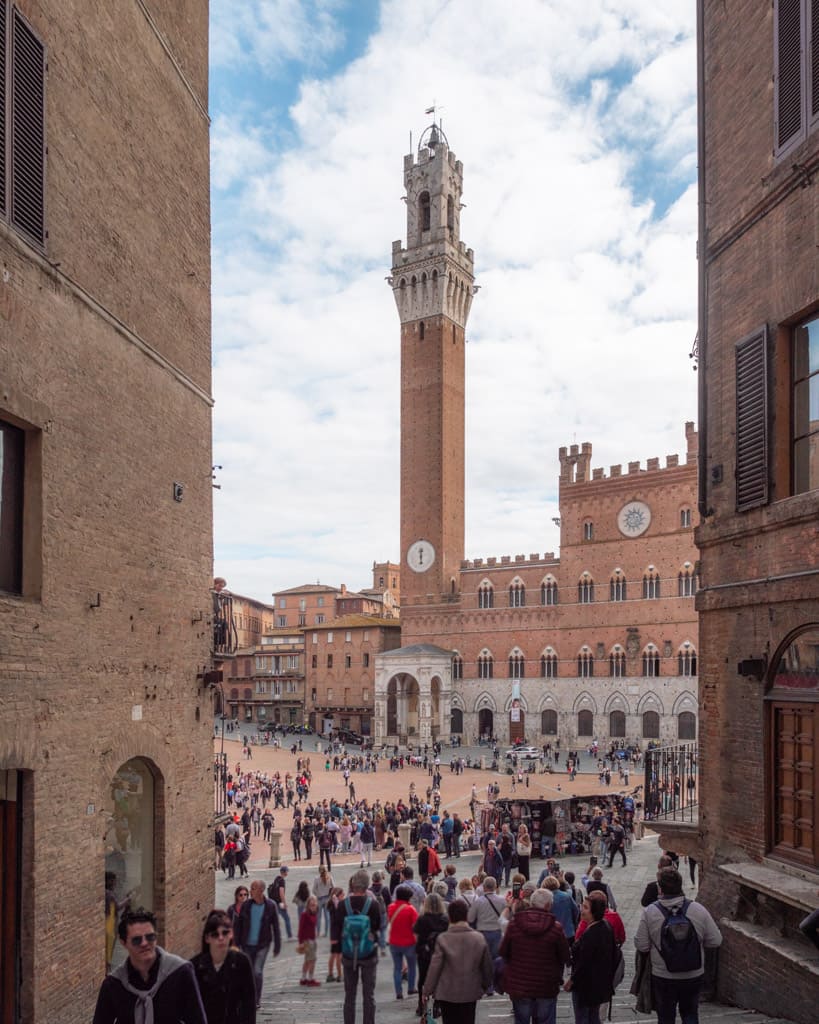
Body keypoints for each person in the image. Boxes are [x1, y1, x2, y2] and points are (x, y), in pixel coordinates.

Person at [634, 867, 722, 1024]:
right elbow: (716, 940)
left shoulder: (650, 912)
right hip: (693, 974)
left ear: (660, 889)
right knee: (690, 1014)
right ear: (680, 885)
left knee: (666, 1017)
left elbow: (642, 946)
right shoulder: (698, 909)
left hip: (663, 975)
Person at [93, 907, 207, 1024]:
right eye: (137, 940)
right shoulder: (113, 985)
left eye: (150, 937)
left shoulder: (180, 973)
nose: (144, 943)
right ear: (123, 943)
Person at [499, 888, 571, 1024]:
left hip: (519, 986)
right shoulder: (556, 928)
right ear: (548, 906)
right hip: (546, 985)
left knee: (521, 1020)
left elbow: (503, 952)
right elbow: (565, 956)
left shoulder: (514, 925)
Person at [423, 899, 493, 1024]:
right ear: (466, 915)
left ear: (449, 917)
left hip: (447, 992)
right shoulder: (478, 938)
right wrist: (486, 985)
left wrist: (427, 990)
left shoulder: (443, 939)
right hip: (470, 990)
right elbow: (487, 966)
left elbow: (435, 967)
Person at [191, 910, 256, 1024]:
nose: (221, 938)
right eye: (215, 934)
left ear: (231, 934)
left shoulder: (241, 962)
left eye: (225, 933)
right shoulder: (195, 966)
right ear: (207, 938)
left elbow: (249, 1003)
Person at [338, 869, 382, 1024]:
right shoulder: (373, 905)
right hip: (369, 953)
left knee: (349, 995)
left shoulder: (343, 905)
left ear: (353, 885)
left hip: (349, 954)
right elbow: (377, 927)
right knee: (368, 995)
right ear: (366, 886)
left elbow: (337, 930)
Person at [563, 896, 617, 1024]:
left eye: (586, 907)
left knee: (583, 1018)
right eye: (582, 906)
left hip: (585, 986)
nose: (582, 909)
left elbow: (584, 962)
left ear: (594, 912)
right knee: (593, 1017)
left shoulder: (591, 934)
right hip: (599, 983)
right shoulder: (605, 925)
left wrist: (571, 980)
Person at [233, 879, 282, 1008]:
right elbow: (238, 925)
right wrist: (236, 943)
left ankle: (256, 1000)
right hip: (246, 944)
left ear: (261, 890)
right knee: (248, 972)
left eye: (253, 888)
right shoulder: (246, 905)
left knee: (257, 971)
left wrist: (277, 945)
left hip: (262, 944)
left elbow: (275, 926)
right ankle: (247, 996)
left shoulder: (271, 905)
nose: (250, 891)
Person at [413, 892, 449, 1015]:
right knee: (439, 978)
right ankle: (437, 1005)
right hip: (440, 952)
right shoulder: (445, 919)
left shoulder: (422, 919)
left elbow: (415, 933)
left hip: (424, 952)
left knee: (422, 979)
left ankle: (421, 1004)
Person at [387, 883, 420, 999]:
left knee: (397, 967)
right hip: (409, 942)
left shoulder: (391, 907)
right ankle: (411, 988)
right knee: (411, 966)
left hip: (394, 942)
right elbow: (416, 927)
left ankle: (398, 992)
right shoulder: (411, 910)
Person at [466, 876, 505, 964]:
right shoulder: (503, 900)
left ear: (484, 887)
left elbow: (470, 918)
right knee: (496, 959)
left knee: (483, 960)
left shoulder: (478, 901)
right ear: (495, 887)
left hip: (482, 933)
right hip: (498, 932)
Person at [298, 894, 320, 986]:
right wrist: (300, 942)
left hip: (312, 939)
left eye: (315, 902)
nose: (314, 903)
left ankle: (303, 978)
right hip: (307, 940)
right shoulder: (305, 914)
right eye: (312, 902)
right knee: (312, 960)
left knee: (308, 960)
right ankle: (310, 978)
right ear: (308, 904)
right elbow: (301, 928)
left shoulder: (314, 913)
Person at [267, 866, 292, 939]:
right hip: (279, 903)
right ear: (285, 872)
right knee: (287, 918)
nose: (287, 873)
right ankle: (289, 936)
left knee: (275, 920)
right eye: (287, 871)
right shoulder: (282, 881)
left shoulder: (277, 878)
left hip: (273, 902)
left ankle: (275, 935)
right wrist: (284, 903)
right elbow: (281, 893)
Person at [313, 865, 334, 937]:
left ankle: (318, 932)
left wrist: (318, 894)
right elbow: (333, 888)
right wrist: (330, 896)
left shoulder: (317, 879)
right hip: (327, 898)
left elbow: (314, 890)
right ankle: (326, 933)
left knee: (318, 917)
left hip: (319, 899)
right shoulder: (330, 878)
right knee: (327, 917)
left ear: (319, 871)